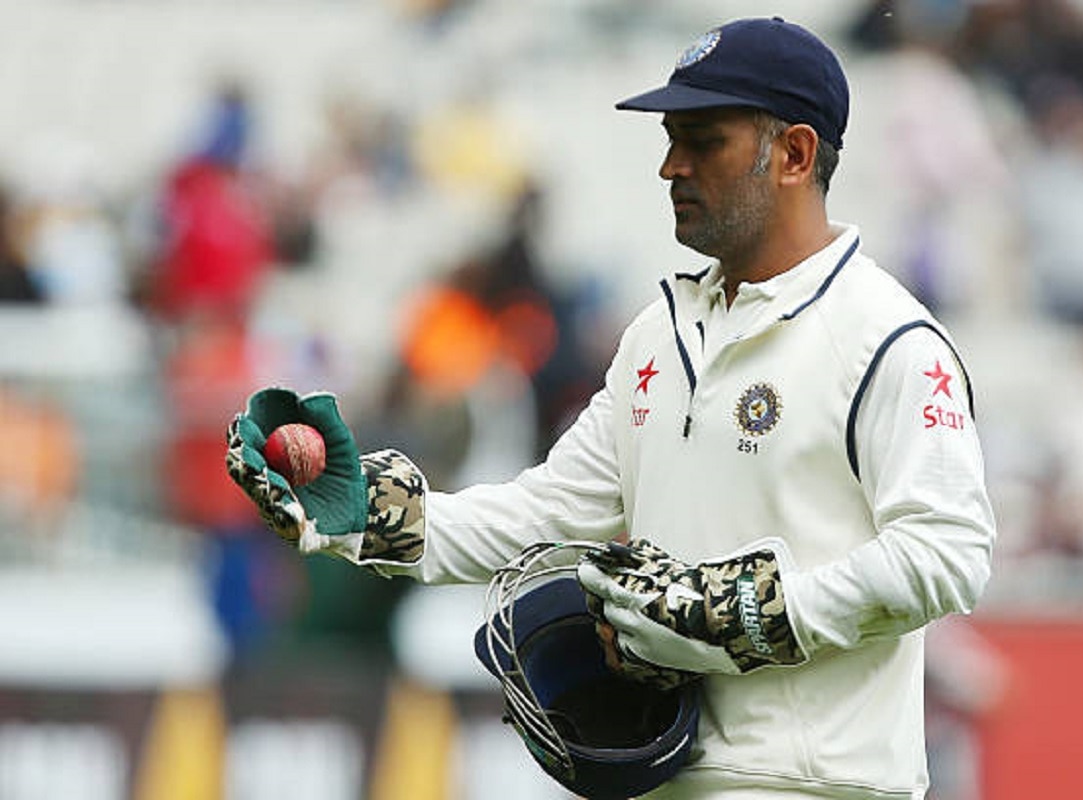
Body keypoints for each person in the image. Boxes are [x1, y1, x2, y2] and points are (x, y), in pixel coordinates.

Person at [226, 16, 996, 799]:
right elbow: (547, 514)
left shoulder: (886, 339)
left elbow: (948, 555)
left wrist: (763, 609)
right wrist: (363, 514)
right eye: (671, 138)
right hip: (666, 779)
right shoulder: (661, 331)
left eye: (704, 141)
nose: (671, 166)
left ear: (795, 154)